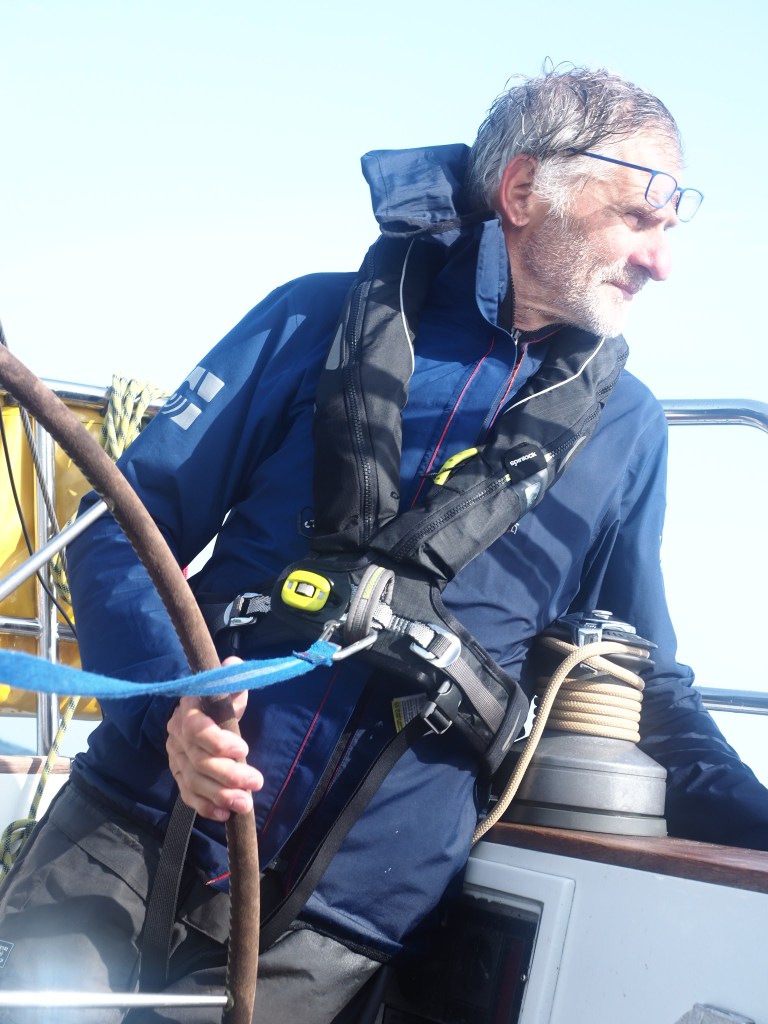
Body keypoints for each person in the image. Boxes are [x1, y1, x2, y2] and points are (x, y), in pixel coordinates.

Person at [1, 64, 768, 1024]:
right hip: (129, 826)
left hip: (338, 923)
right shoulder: (310, 319)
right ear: (522, 191)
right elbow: (121, 525)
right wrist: (173, 703)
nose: (662, 263)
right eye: (638, 219)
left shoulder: (627, 431)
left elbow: (640, 684)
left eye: (670, 229)